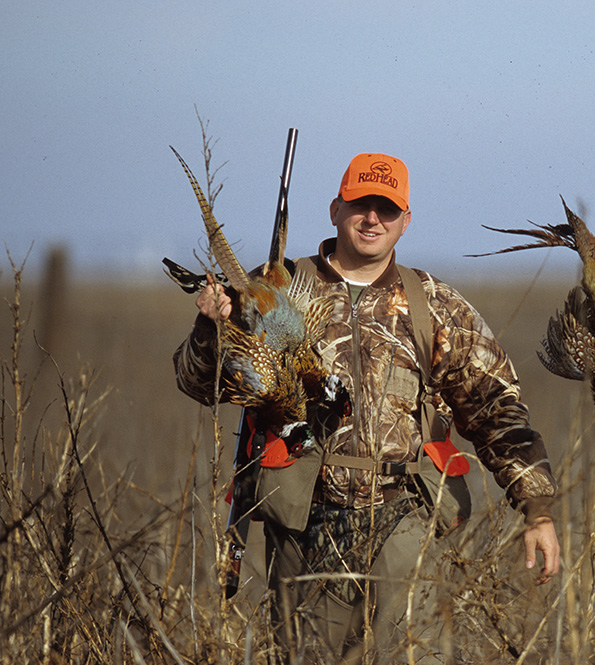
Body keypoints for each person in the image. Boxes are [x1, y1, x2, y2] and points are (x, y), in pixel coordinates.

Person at [174, 152, 560, 662]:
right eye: (361, 204)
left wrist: (537, 509)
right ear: (335, 209)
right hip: (304, 524)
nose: (373, 218)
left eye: (387, 208)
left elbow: (496, 408)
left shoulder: (433, 304)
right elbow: (200, 384)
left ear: (405, 221)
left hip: (405, 520)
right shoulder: (278, 287)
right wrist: (211, 327)